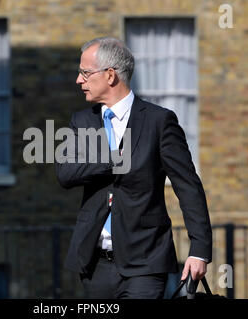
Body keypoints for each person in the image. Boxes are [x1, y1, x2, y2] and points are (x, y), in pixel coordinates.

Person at [55, 36, 212, 299]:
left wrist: (199, 250)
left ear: (110, 75)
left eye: (85, 72)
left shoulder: (159, 121)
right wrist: (113, 159)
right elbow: (65, 173)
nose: (78, 80)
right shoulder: (81, 121)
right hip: (95, 265)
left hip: (146, 262)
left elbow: (188, 187)